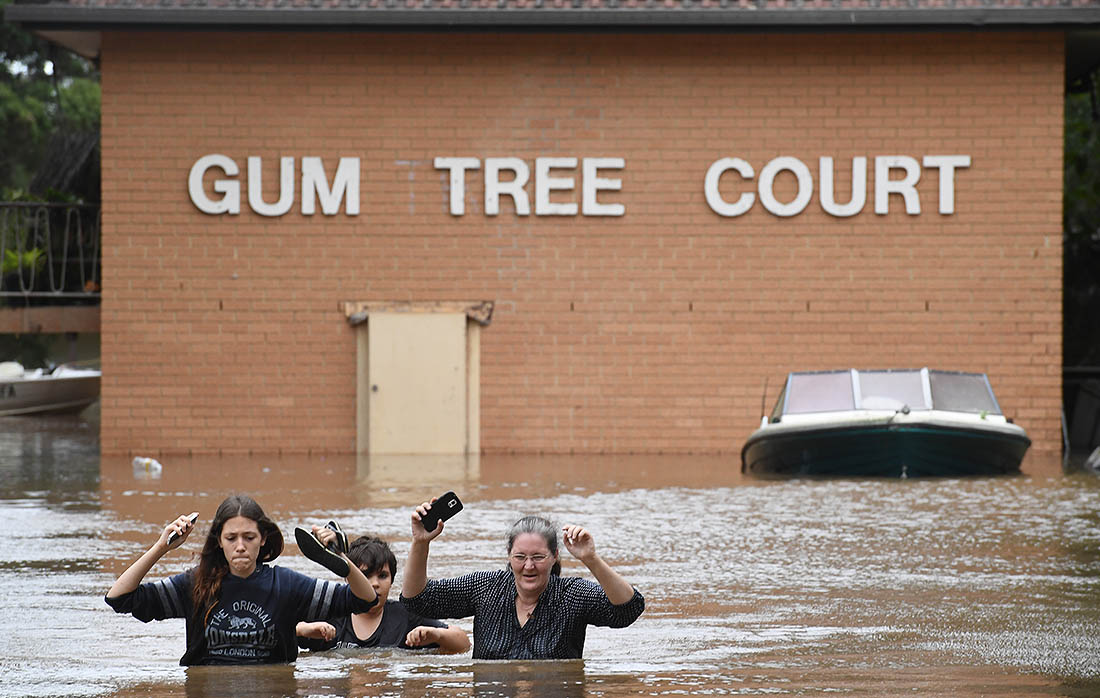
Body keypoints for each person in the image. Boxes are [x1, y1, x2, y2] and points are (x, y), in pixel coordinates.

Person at [105, 494, 378, 665]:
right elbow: (119, 598)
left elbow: (364, 599)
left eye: (249, 538)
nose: (240, 546)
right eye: (231, 538)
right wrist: (161, 547)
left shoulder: (287, 585)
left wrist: (342, 558)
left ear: (263, 540)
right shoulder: (195, 584)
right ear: (219, 543)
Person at [400, 505, 645, 659]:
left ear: (554, 557)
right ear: (509, 556)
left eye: (538, 557)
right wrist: (421, 542)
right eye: (520, 557)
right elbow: (417, 600)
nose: (529, 566)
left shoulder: (571, 595)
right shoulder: (485, 587)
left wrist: (591, 559)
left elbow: (628, 609)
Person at [296, 534, 470, 653]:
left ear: (392, 580)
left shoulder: (405, 615)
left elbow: (463, 643)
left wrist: (435, 635)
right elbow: (277, 631)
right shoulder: (331, 613)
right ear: (350, 579)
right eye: (365, 576)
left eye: (383, 576)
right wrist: (303, 630)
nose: (374, 584)